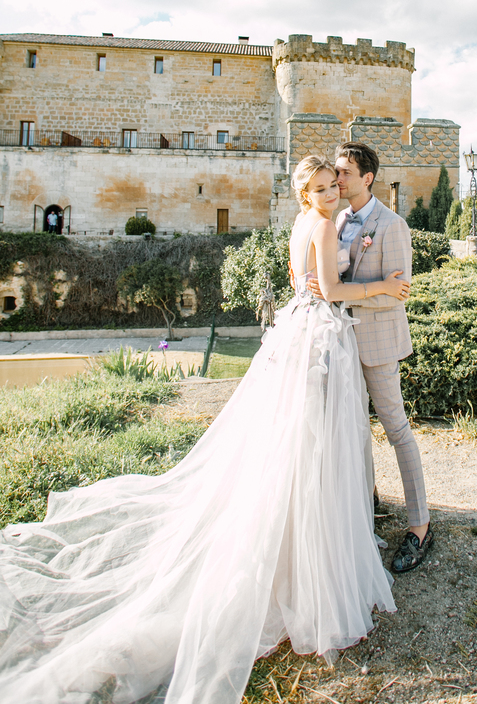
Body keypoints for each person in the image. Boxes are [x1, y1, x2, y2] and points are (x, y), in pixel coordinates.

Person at [0, 155, 409, 704]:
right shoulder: (318, 222)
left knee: (298, 443)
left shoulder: (302, 222)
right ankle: (308, 557)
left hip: (303, 329)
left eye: (332, 184)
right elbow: (332, 290)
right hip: (320, 333)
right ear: (304, 192)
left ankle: (306, 534)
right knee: (310, 445)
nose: (330, 192)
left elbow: (303, 282)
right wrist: (385, 286)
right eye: (319, 186)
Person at [310, 143, 433, 574]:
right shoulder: (337, 220)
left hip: (378, 342)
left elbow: (397, 295)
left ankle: (420, 525)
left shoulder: (392, 225)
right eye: (336, 173)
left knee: (397, 429)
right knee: (355, 430)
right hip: (342, 343)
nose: (337, 180)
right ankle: (366, 504)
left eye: (344, 173)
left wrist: (351, 299)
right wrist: (319, 285)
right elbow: (335, 277)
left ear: (368, 179)